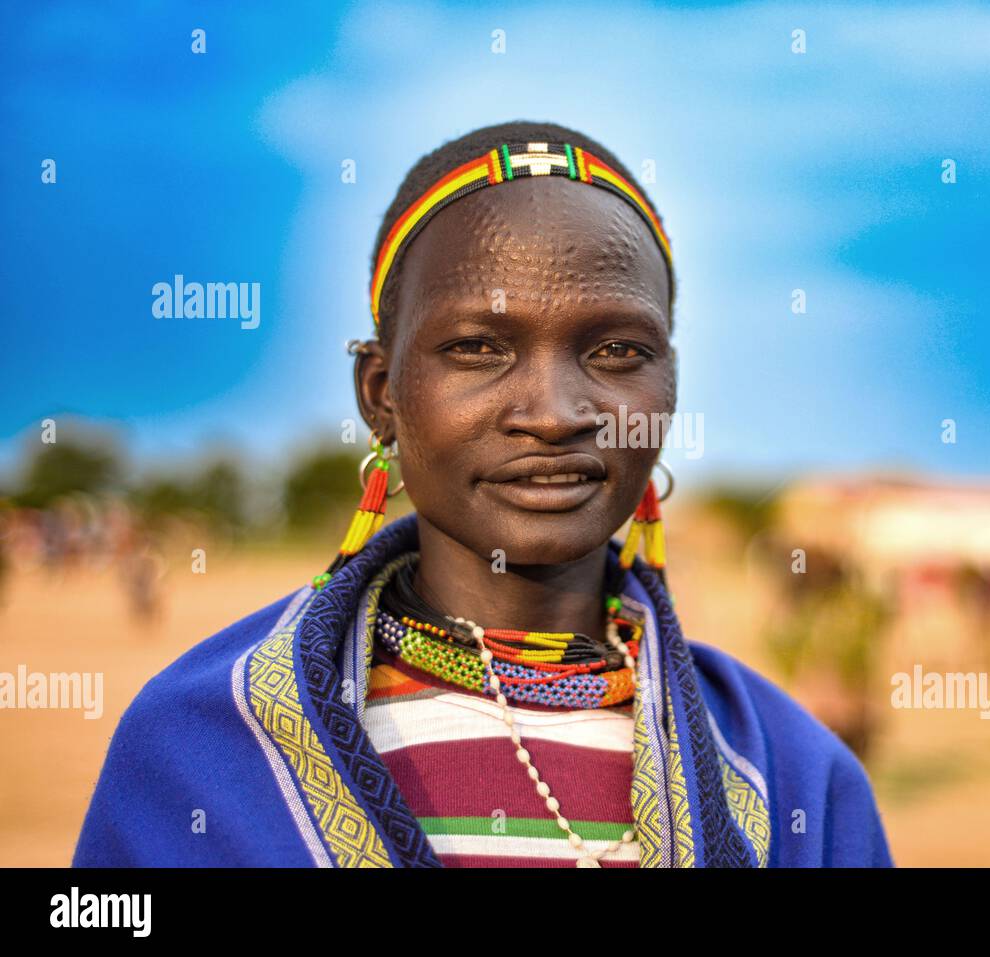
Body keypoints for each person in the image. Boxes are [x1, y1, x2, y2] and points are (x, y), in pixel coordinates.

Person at [72, 120, 893, 868]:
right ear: (382, 393)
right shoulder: (200, 748)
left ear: (669, 389)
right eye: (477, 347)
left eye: (616, 349)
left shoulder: (795, 778)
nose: (553, 413)